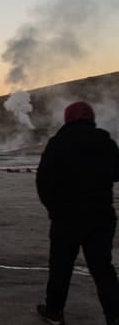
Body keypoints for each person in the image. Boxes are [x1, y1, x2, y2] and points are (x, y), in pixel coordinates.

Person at [36, 101, 119, 325]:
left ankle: (54, 312)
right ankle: (114, 315)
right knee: (103, 268)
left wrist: (54, 209)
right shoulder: (106, 141)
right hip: (100, 216)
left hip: (66, 217)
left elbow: (43, 181)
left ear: (67, 118)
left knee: (60, 267)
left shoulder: (59, 143)